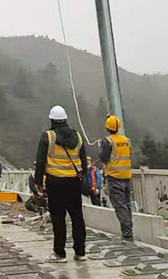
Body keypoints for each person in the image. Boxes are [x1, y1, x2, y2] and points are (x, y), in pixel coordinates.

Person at [34, 105, 87, 263]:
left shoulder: (48, 136)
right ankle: (80, 252)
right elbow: (83, 161)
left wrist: (38, 182)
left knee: (58, 219)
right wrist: (83, 178)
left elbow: (40, 162)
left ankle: (60, 253)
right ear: (65, 119)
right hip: (74, 182)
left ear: (52, 120)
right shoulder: (78, 137)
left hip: (55, 183)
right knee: (77, 217)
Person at [99, 115, 134, 240]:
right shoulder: (127, 140)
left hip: (114, 177)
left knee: (120, 206)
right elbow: (130, 154)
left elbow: (103, 158)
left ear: (107, 127)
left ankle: (127, 233)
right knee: (127, 204)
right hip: (127, 176)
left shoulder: (107, 141)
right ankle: (128, 230)